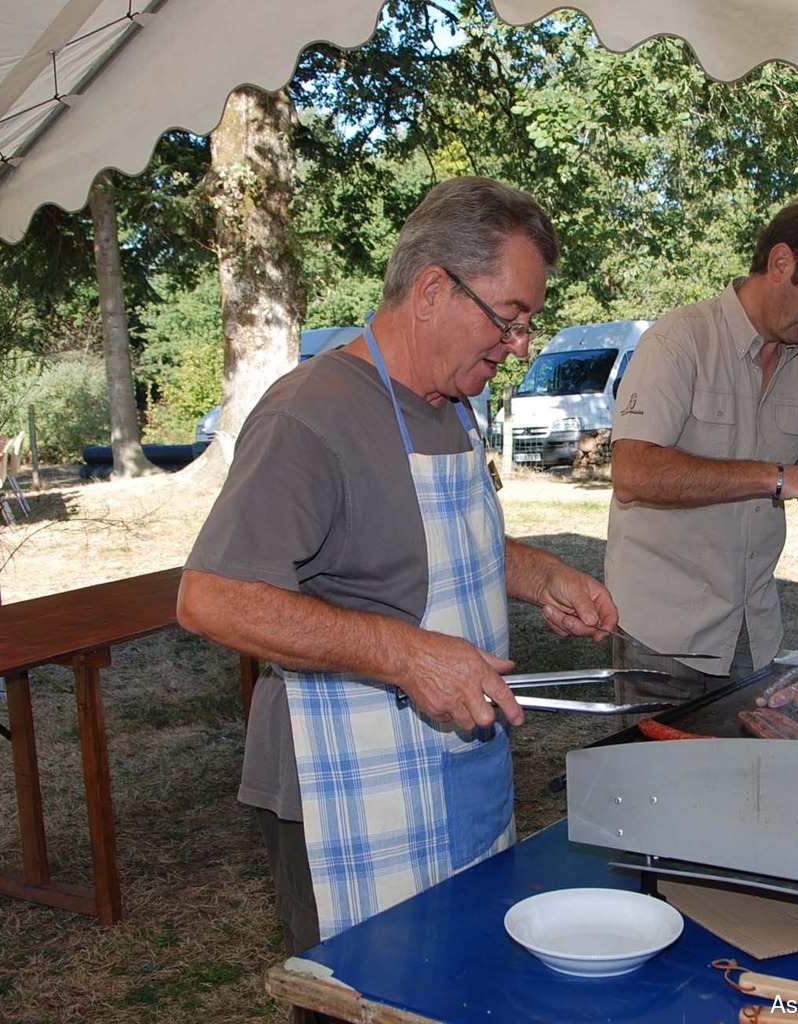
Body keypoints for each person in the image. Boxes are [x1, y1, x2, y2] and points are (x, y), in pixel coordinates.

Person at [177, 177, 617, 972]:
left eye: (526, 323)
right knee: (372, 997)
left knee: (465, 982)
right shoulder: (309, 413)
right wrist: (405, 655)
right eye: (508, 318)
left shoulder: (451, 403)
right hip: (345, 789)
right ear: (433, 290)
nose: (519, 346)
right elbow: (211, 598)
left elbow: (428, 542)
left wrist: (540, 575)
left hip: (460, 768)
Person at [603, 197, 798, 704]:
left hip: (752, 633)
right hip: (662, 636)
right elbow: (634, 473)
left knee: (748, 759)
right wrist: (776, 477)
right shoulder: (679, 341)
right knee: (661, 761)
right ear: (782, 262)